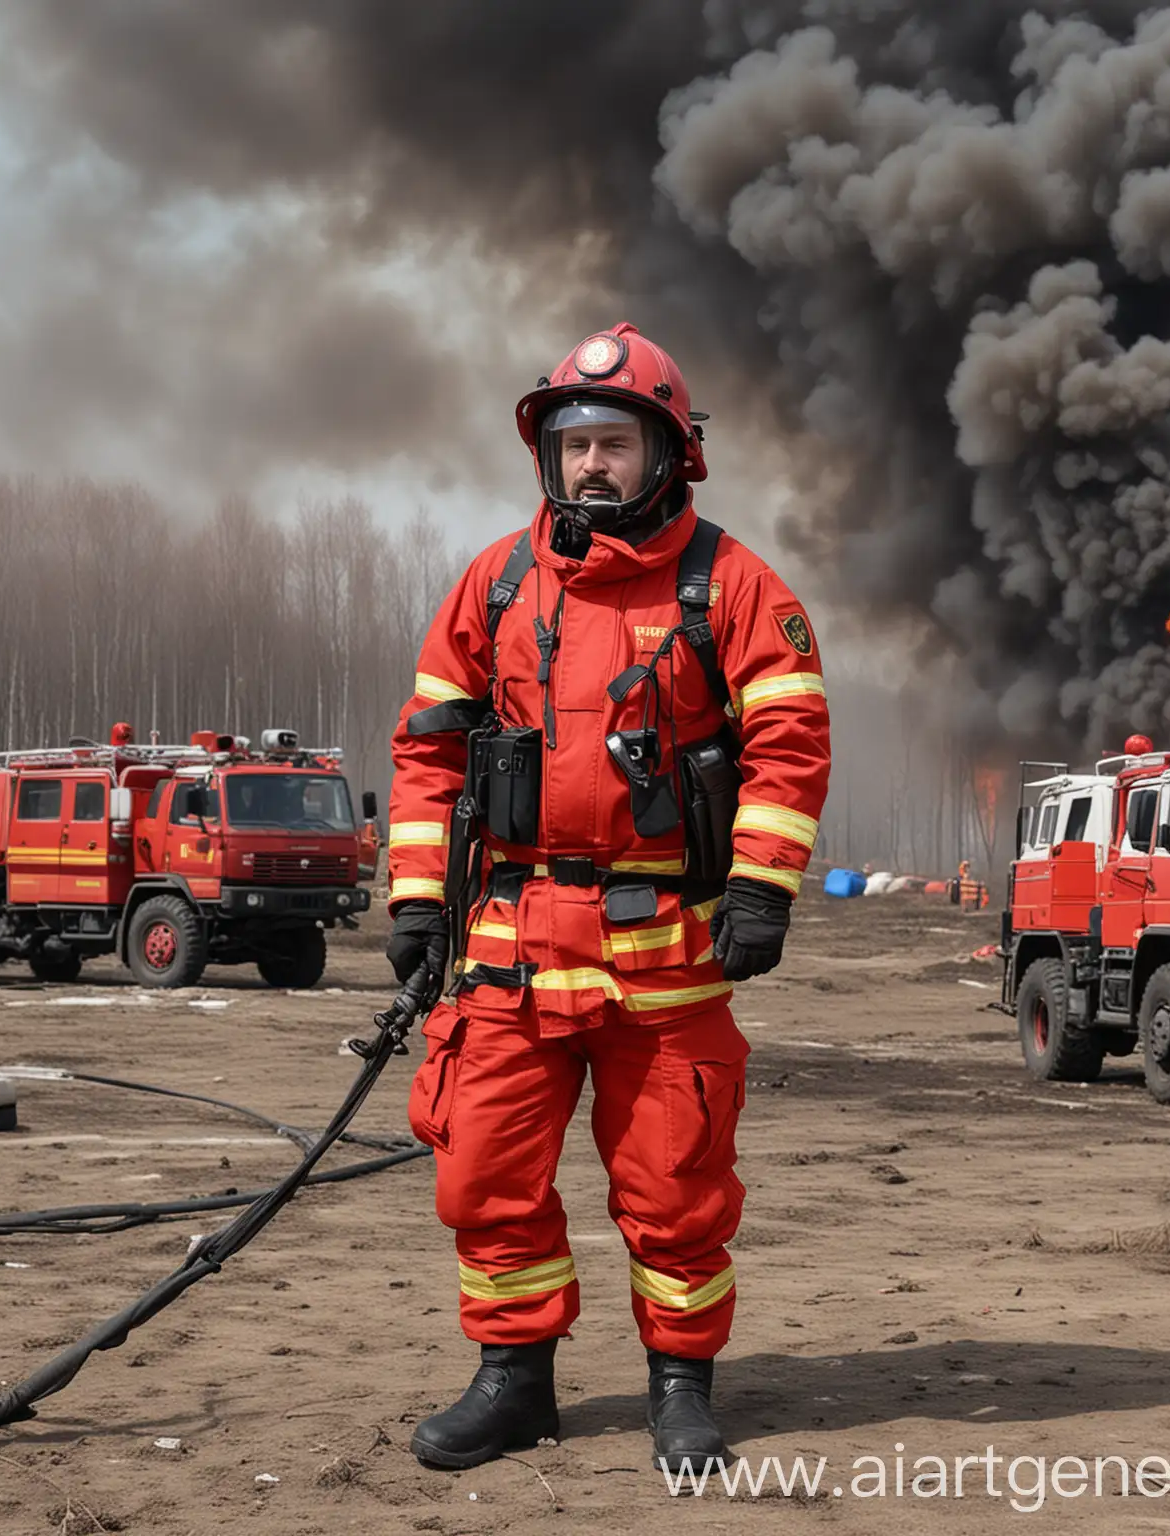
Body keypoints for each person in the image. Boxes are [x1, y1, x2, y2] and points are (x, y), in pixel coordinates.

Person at [385, 323, 832, 1476]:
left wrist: (763, 888)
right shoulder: (495, 583)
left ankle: (681, 1386)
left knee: (678, 1187)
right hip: (514, 944)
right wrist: (418, 902)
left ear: (667, 454)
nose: (591, 465)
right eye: (574, 443)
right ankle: (514, 1382)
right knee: (482, 1169)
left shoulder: (730, 586)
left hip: (667, 948)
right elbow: (430, 752)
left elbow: (789, 742)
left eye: (615, 443)